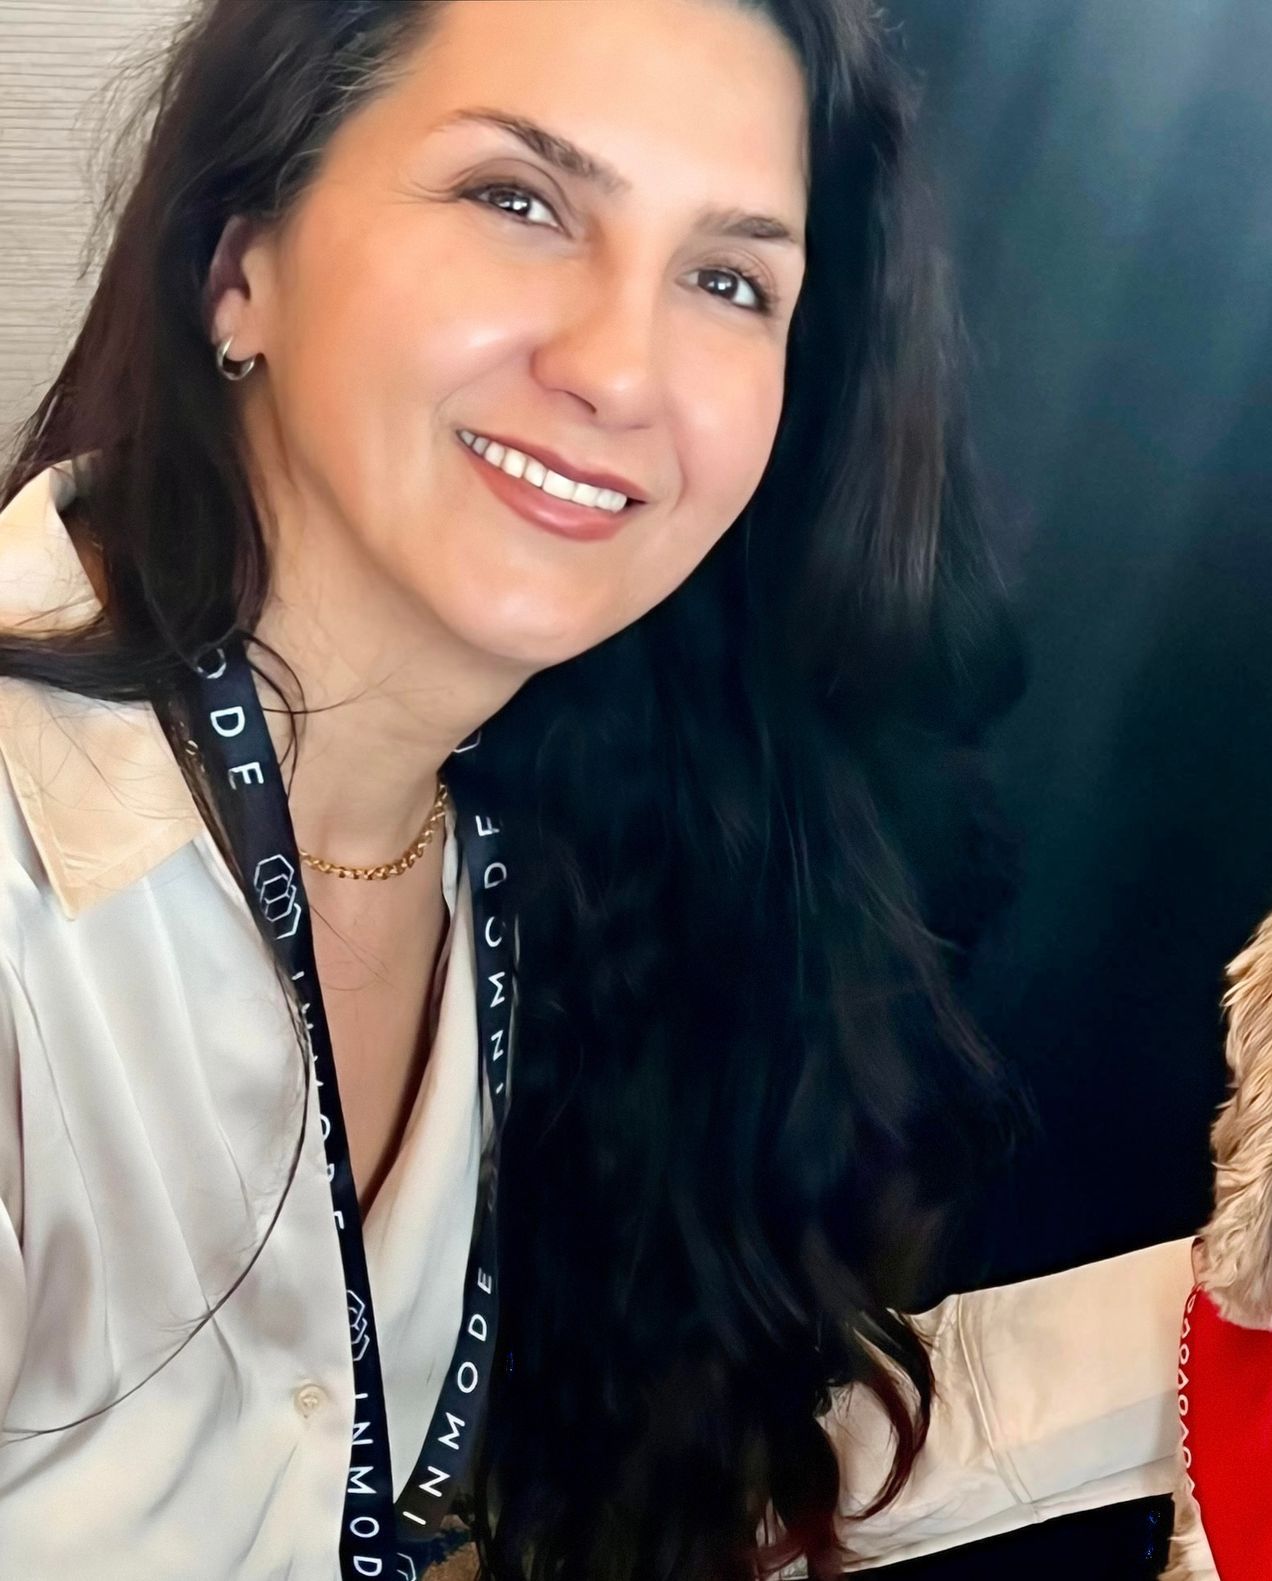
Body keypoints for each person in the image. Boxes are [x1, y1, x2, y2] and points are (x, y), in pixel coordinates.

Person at [0, 2, 1191, 1578]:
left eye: (727, 280)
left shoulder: (536, 846)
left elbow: (682, 1465)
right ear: (240, 264)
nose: (622, 369)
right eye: (519, 200)